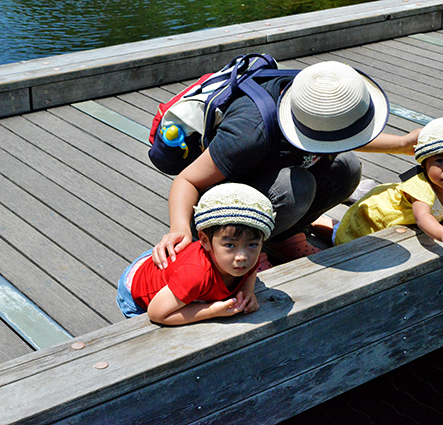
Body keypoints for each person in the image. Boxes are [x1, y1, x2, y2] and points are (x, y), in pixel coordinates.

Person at [152, 60, 420, 269]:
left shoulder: (318, 100)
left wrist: (401, 143)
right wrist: (178, 230)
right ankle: (248, 245)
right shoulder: (249, 134)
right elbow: (186, 181)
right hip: (228, 192)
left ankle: (283, 236)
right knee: (294, 188)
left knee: (347, 168)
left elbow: (341, 135)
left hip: (267, 171)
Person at [116, 183, 275, 325]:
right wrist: (211, 311)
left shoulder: (245, 261)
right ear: (205, 241)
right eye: (230, 245)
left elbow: (251, 272)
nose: (242, 256)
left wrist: (246, 291)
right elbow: (157, 313)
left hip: (176, 270)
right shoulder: (195, 275)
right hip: (139, 293)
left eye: (253, 244)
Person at [315, 117, 443, 250]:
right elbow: (422, 217)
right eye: (439, 161)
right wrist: (442, 234)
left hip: (398, 221)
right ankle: (315, 223)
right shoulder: (422, 187)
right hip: (375, 217)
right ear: (424, 163)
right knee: (345, 237)